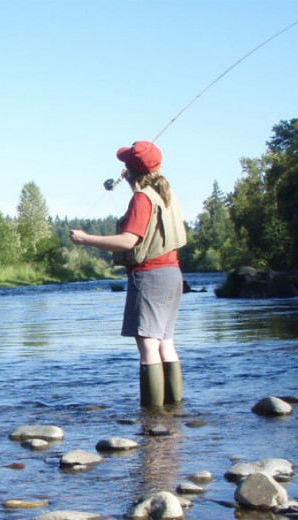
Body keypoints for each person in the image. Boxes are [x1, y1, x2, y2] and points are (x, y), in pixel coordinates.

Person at [70, 141, 187, 408]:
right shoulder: (166, 195)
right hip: (173, 274)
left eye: (125, 164)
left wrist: (86, 239)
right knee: (165, 344)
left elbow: (127, 241)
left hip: (150, 277)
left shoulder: (142, 198)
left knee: (148, 347)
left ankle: (152, 416)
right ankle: (174, 410)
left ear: (129, 170)